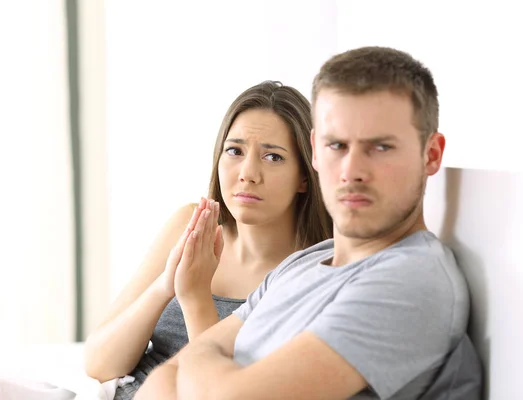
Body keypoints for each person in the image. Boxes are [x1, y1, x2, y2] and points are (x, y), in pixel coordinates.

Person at [136, 46, 483, 400]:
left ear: (432, 154)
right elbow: (168, 376)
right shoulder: (302, 264)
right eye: (337, 145)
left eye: (380, 147)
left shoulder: (410, 278)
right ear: (316, 151)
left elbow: (223, 391)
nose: (352, 172)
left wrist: (205, 362)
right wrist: (205, 366)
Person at [83, 80, 333, 399]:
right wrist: (165, 286)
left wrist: (195, 296)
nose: (248, 173)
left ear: (304, 176)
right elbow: (100, 365)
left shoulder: (314, 269)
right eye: (235, 151)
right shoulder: (189, 225)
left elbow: (229, 392)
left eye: (273, 157)